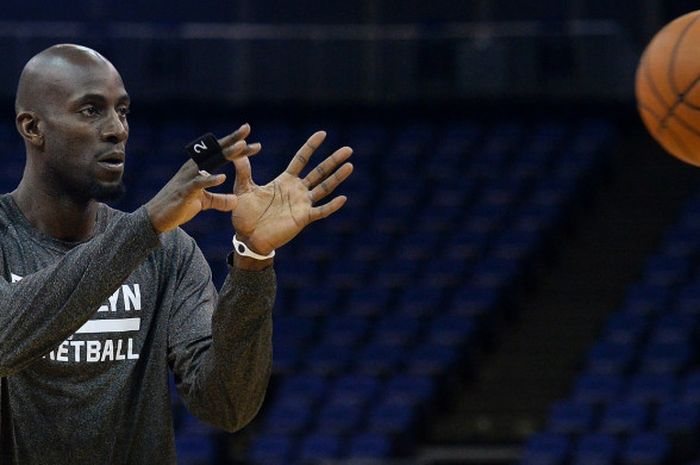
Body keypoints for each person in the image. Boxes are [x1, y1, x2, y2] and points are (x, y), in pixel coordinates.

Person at [0, 44, 353, 464]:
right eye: (91, 110)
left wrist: (253, 258)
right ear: (32, 127)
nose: (118, 129)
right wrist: (146, 224)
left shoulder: (168, 251)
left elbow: (226, 405)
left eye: (123, 111)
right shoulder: (142, 236)